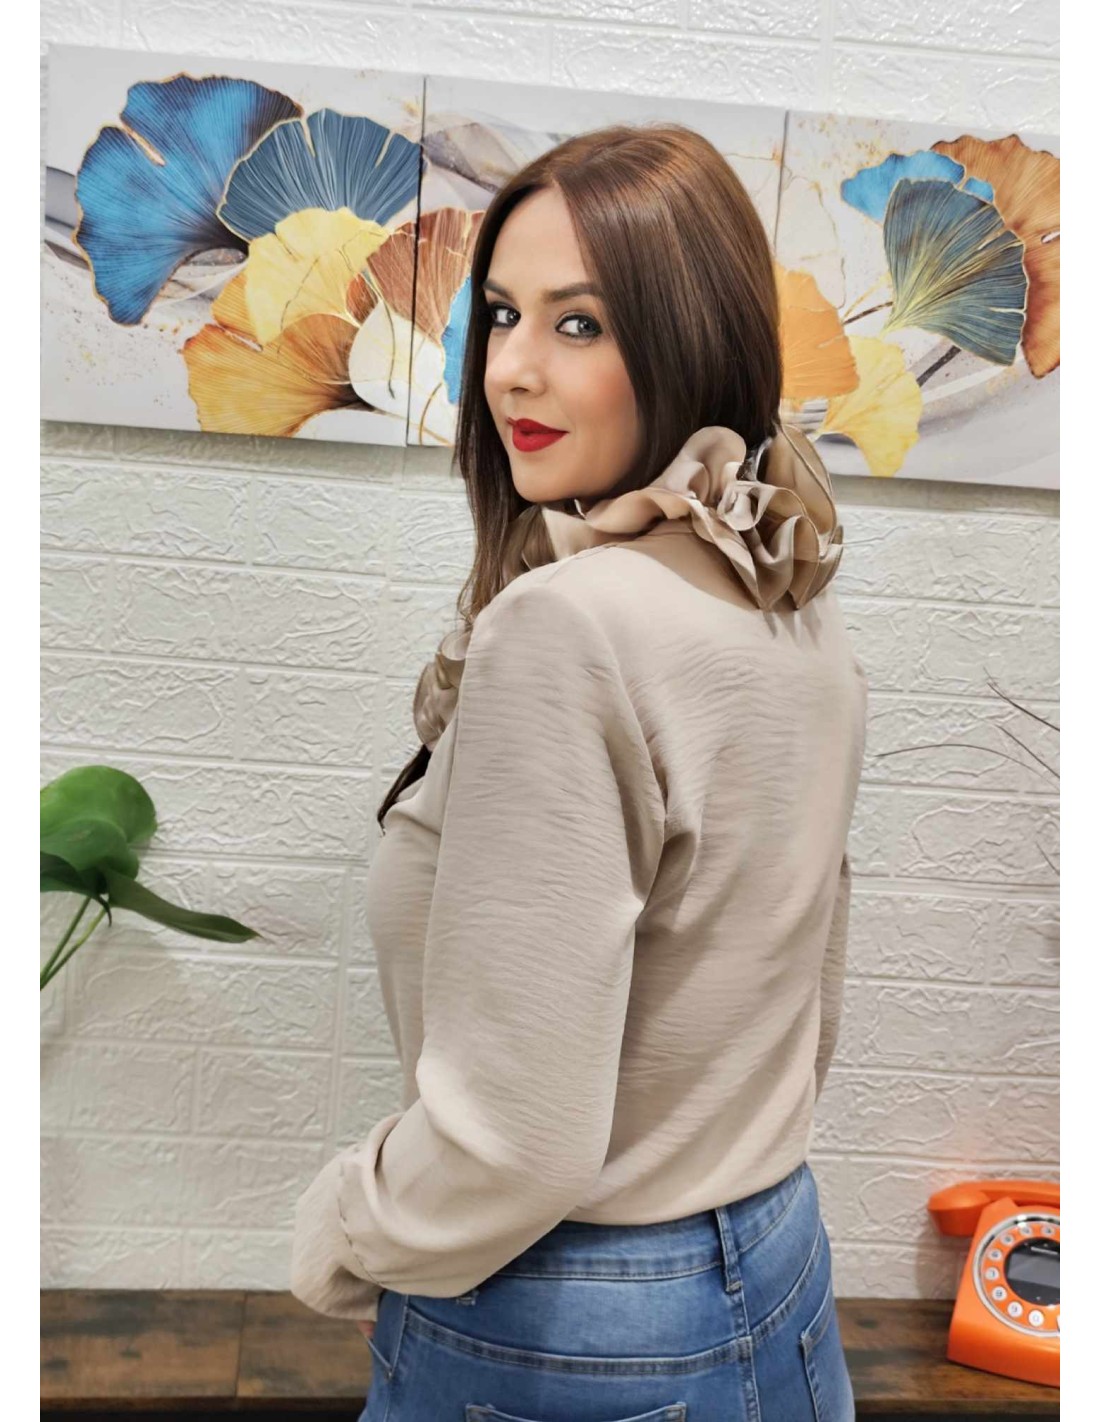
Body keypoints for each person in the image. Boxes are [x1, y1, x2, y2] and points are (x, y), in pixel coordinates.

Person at [290, 122, 866, 1421]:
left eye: (581, 324)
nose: (512, 369)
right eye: (502, 314)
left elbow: (516, 1144)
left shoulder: (571, 628)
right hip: (776, 1257)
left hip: (565, 1317)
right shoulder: (791, 601)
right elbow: (809, 992)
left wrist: (348, 1226)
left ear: (687, 337)